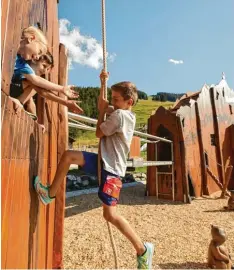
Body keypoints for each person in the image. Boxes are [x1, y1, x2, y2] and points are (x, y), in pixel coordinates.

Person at [33, 71, 154, 269]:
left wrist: (100, 112)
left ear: (129, 101)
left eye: (116, 99)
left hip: (111, 171)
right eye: (113, 99)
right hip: (102, 162)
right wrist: (103, 82)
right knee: (69, 156)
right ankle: (49, 194)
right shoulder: (124, 113)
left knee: (110, 215)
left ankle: (142, 249)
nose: (112, 103)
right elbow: (104, 103)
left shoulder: (120, 116)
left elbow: (98, 132)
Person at [10, 26, 80, 119]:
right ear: (31, 39)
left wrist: (62, 89)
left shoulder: (22, 65)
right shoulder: (14, 54)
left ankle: (19, 101)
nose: (36, 57)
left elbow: (37, 81)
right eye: (39, 52)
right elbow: (39, 88)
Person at [10, 52, 83, 117]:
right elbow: (37, 83)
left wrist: (36, 121)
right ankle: (19, 102)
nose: (44, 71)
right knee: (34, 83)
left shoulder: (27, 77)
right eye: (44, 66)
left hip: (13, 93)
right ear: (34, 59)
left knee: (34, 88)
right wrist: (62, 90)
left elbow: (40, 93)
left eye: (47, 69)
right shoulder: (23, 65)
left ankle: (19, 102)